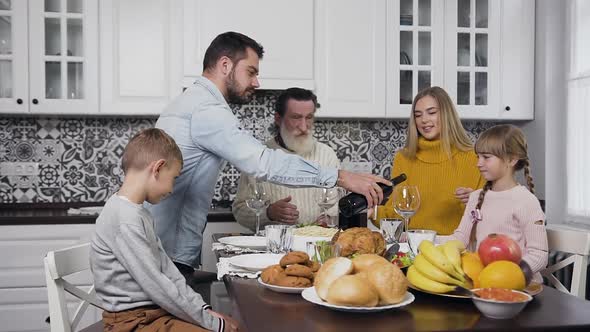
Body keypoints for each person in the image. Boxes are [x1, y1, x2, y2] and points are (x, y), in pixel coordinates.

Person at [148, 31, 389, 275]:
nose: (256, 82)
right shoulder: (206, 109)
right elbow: (265, 163)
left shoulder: (189, 101)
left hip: (161, 250)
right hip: (168, 255)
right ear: (225, 65)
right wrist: (342, 177)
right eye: (251, 72)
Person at [90, 128, 239, 332]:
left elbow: (168, 270)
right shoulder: (125, 219)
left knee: (232, 326)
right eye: (175, 178)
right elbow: (158, 286)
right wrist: (214, 324)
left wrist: (204, 310)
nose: (172, 188)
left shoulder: (139, 213)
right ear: (158, 168)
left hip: (153, 312)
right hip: (132, 323)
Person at [441, 124, 548, 284]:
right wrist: (425, 239)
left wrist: (512, 274)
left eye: (486, 157)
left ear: (511, 159)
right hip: (485, 283)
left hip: (519, 287)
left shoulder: (526, 201)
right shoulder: (476, 197)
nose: (478, 163)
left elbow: (539, 253)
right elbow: (460, 239)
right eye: (478, 157)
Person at [372, 86, 485, 235]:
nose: (424, 120)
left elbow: (493, 217)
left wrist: (474, 201)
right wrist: (371, 212)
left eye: (431, 112)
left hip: (457, 249)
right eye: (418, 115)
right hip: (415, 247)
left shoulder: (474, 158)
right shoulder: (404, 158)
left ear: (447, 114)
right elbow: (397, 214)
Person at [232, 88, 340, 231]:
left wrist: (330, 220)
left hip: (316, 244)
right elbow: (240, 211)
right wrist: (268, 213)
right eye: (296, 117)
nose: (303, 127)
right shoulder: (260, 156)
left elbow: (336, 207)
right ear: (278, 119)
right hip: (272, 247)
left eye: (308, 117)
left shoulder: (327, 155)